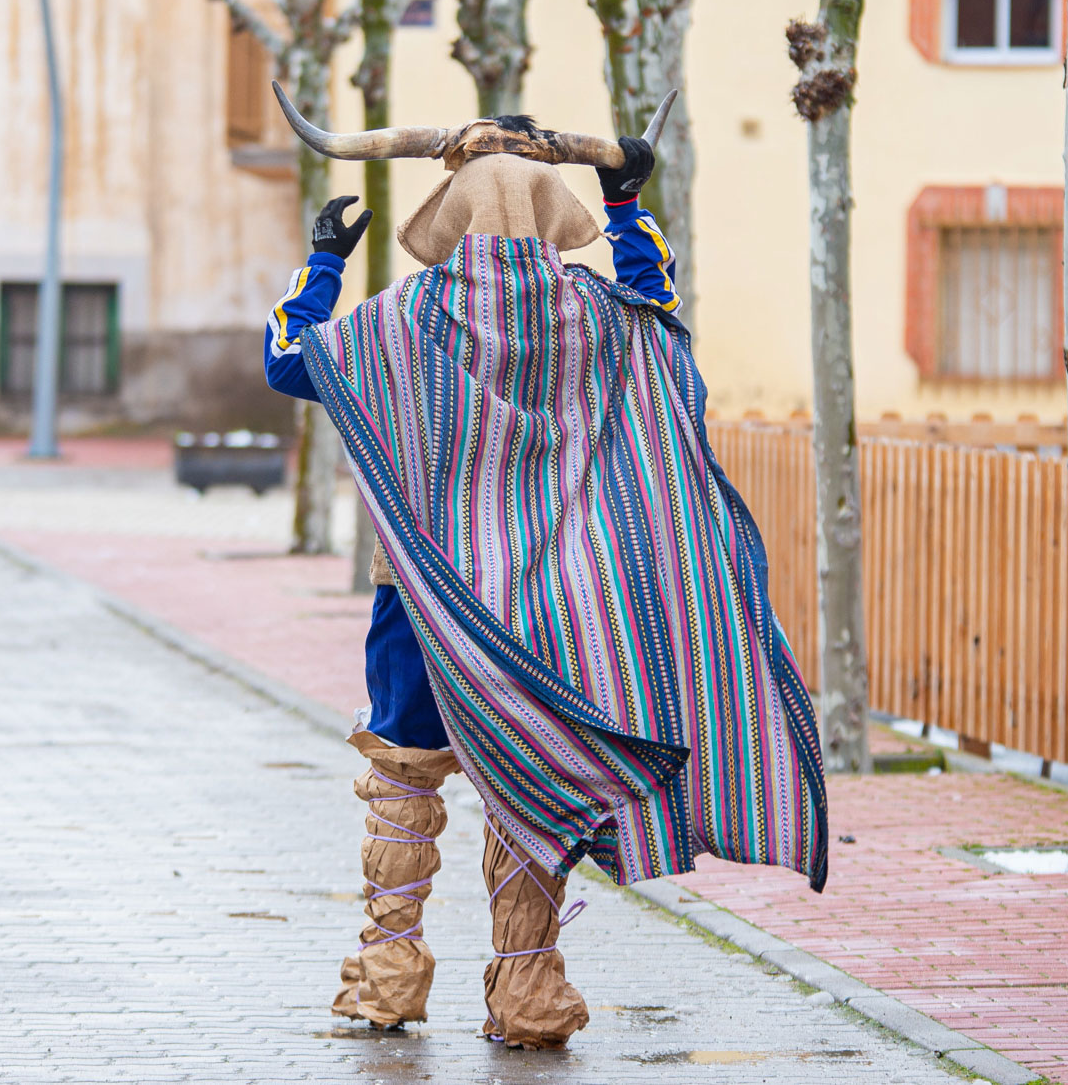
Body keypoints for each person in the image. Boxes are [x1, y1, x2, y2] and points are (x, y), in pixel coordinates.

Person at [261, 95, 827, 1050]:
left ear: (451, 212)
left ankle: (387, 978)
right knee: (527, 784)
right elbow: (661, 313)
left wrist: (323, 264)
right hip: (554, 610)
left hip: (424, 602)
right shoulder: (597, 317)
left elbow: (289, 363)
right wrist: (625, 206)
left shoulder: (404, 319)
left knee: (406, 776)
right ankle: (527, 997)